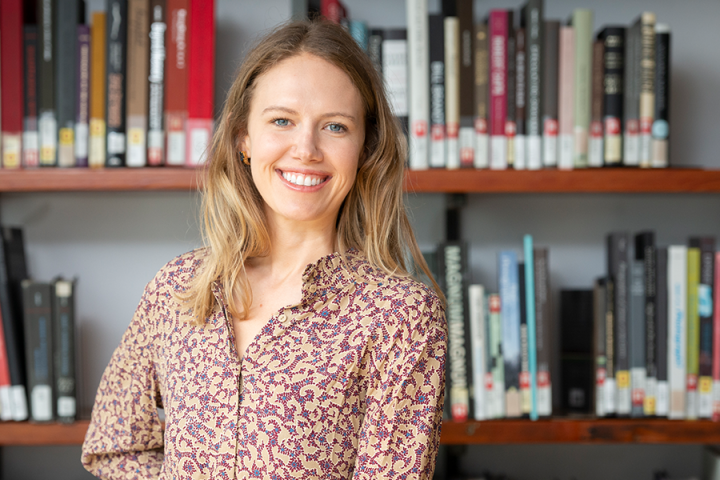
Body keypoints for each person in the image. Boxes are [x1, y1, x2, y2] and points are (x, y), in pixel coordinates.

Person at [82, 19, 447, 479]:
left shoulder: (399, 317)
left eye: (335, 127)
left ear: (365, 147)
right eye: (281, 121)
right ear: (243, 138)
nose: (306, 148)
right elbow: (115, 446)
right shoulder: (177, 289)